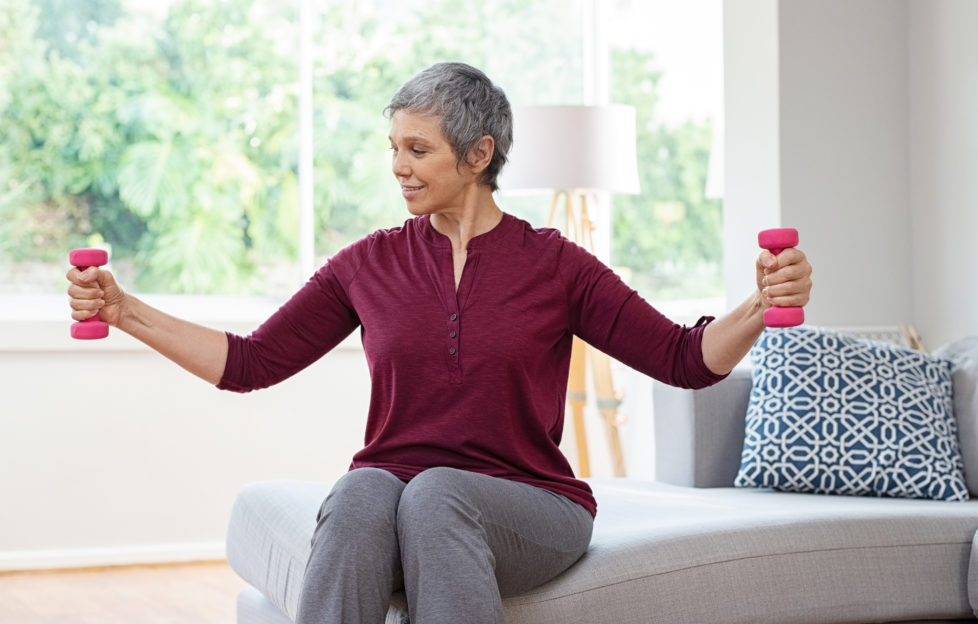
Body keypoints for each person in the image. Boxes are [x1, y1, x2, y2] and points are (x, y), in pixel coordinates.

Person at [66, 62, 812, 623]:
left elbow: (684, 359)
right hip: (395, 491)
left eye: (418, 150)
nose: (398, 166)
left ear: (478, 154)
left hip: (533, 504)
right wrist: (126, 310)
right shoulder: (370, 263)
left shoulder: (555, 265)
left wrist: (761, 301)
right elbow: (252, 362)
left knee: (438, 493)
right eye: (394, 147)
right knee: (363, 489)